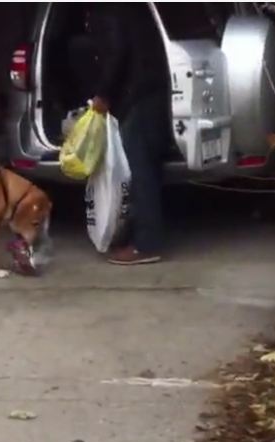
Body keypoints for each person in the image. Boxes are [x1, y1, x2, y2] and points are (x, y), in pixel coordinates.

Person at [84, 3, 171, 265]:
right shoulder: (134, 6)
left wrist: (103, 94)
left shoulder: (111, 8)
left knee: (141, 170)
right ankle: (145, 233)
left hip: (137, 95)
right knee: (149, 168)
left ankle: (146, 244)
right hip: (152, 90)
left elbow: (116, 52)